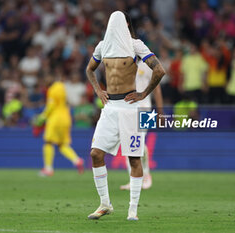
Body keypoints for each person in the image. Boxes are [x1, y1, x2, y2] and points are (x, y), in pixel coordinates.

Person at [85, 11, 165, 221]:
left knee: (134, 157)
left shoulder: (136, 45)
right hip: (110, 107)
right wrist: (98, 90)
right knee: (95, 154)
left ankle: (133, 210)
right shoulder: (103, 46)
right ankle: (105, 204)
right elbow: (89, 70)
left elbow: (159, 70)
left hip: (134, 108)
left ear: (126, 25)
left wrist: (143, 93)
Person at [120, 60, 163, 191]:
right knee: (128, 142)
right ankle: (133, 179)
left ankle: (146, 175)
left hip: (145, 108)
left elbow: (156, 88)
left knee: (140, 142)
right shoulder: (125, 64)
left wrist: (160, 111)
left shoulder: (149, 63)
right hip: (127, 108)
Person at [36, 76, 84, 177]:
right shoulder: (62, 87)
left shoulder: (52, 90)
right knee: (62, 145)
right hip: (66, 118)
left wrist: (42, 116)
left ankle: (48, 169)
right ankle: (77, 160)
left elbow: (51, 106)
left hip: (56, 119)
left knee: (48, 142)